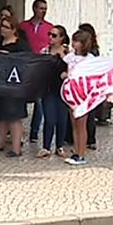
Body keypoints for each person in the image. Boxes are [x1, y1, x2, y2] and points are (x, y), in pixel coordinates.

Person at [0, 17, 31, 158]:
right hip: (0, 82)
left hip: (14, 85)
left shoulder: (21, 45)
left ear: (13, 29)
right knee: (0, 114)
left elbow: (27, 60)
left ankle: (16, 148)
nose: (3, 29)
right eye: (2, 26)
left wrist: (10, 56)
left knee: (13, 115)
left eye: (6, 27)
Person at [20, 0, 54, 144]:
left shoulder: (49, 28)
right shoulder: (23, 26)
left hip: (41, 66)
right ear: (34, 8)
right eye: (41, 8)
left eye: (45, 8)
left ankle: (34, 131)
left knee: (39, 100)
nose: (43, 11)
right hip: (26, 64)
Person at [63, 30, 95, 166]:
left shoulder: (90, 59)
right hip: (71, 93)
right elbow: (65, 67)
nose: (73, 43)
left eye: (76, 41)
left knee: (81, 124)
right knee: (74, 124)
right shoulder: (70, 57)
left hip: (82, 93)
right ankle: (77, 151)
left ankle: (82, 153)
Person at [38, 25, 70, 159]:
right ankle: (46, 146)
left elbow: (74, 68)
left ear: (62, 38)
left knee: (62, 119)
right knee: (50, 118)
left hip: (63, 89)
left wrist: (64, 59)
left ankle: (59, 146)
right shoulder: (44, 51)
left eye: (54, 35)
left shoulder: (68, 54)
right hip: (48, 88)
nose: (50, 37)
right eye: (49, 34)